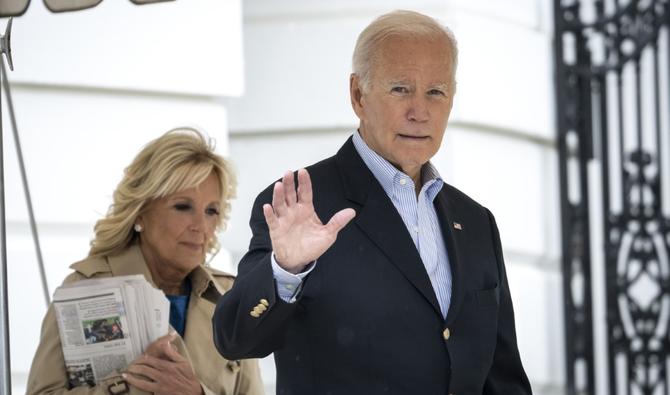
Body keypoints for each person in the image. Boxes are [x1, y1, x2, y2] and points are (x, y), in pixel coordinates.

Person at [213, 9, 533, 395]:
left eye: (435, 92)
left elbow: (503, 378)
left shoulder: (476, 222)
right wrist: (286, 269)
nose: (419, 112)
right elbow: (236, 339)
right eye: (400, 89)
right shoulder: (302, 203)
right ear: (358, 95)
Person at [27, 128, 264, 395]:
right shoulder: (86, 288)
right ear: (140, 212)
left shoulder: (231, 299)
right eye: (183, 206)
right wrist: (132, 385)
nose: (201, 226)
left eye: (211, 211)